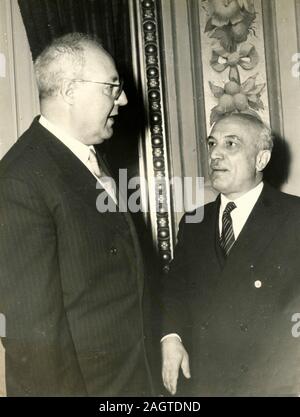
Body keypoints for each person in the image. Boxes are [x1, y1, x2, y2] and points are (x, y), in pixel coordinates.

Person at [0, 32, 153, 396]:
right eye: (112, 87)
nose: (125, 99)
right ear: (70, 91)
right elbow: (35, 342)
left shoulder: (86, 158)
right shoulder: (20, 180)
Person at [161, 113, 300, 396]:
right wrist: (171, 337)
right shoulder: (193, 222)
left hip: (275, 382)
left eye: (231, 144)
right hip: (206, 382)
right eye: (212, 144)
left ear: (261, 159)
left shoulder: (294, 216)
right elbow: (175, 290)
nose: (215, 155)